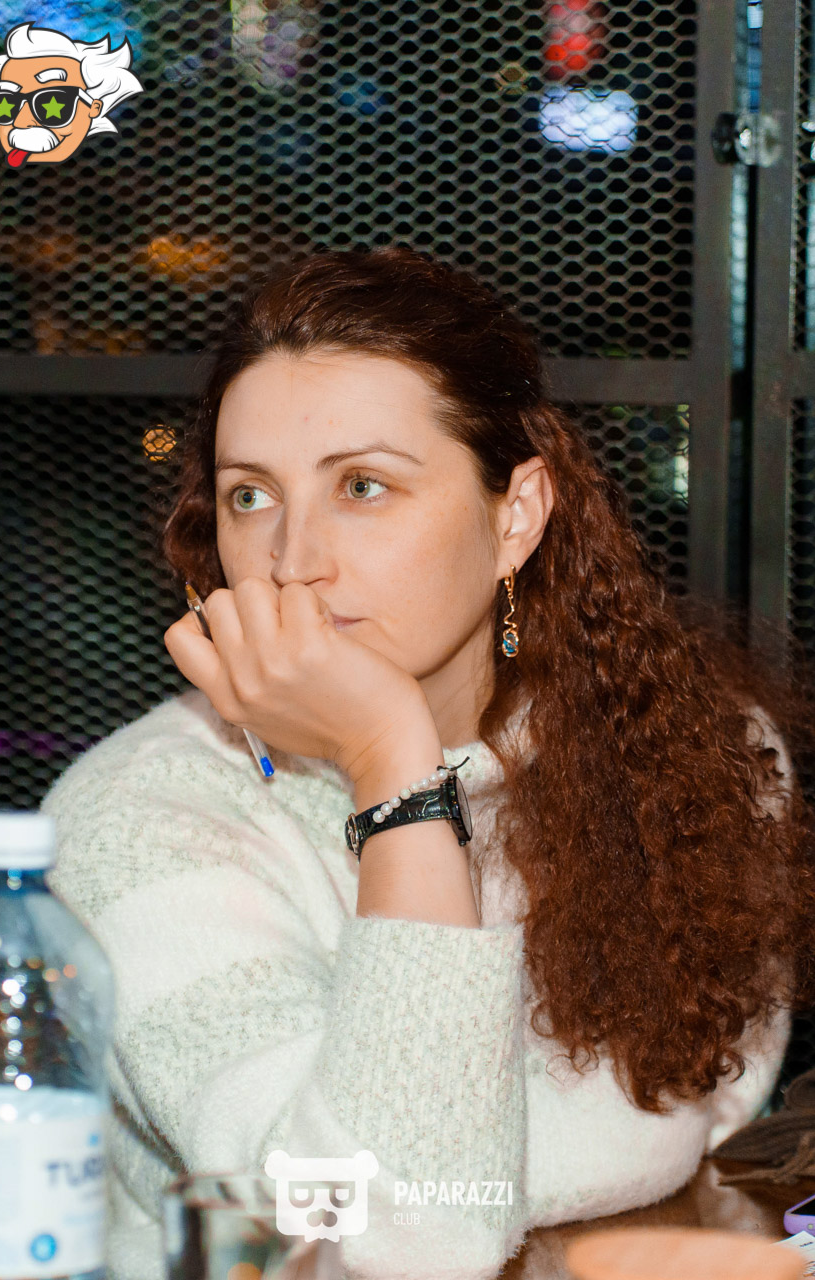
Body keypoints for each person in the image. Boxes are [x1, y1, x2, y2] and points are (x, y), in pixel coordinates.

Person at [41, 245, 815, 1280]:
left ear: (514, 515)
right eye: (249, 496)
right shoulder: (139, 816)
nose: (291, 559)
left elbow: (704, 1112)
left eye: (362, 486)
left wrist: (465, 1173)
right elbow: (389, 1241)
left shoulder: (697, 753)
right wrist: (393, 770)